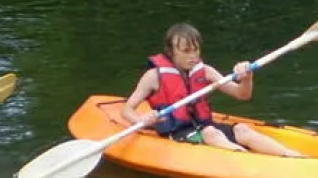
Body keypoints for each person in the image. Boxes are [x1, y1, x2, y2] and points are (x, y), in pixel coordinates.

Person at [120, 23, 302, 156]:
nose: (192, 56)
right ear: (170, 51)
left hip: (203, 125)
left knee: (243, 130)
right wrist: (145, 121)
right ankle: (246, 159)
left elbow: (242, 94)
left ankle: (292, 157)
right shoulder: (153, 76)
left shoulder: (205, 71)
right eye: (186, 51)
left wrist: (247, 77)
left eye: (195, 50)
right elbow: (126, 110)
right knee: (210, 133)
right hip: (175, 131)